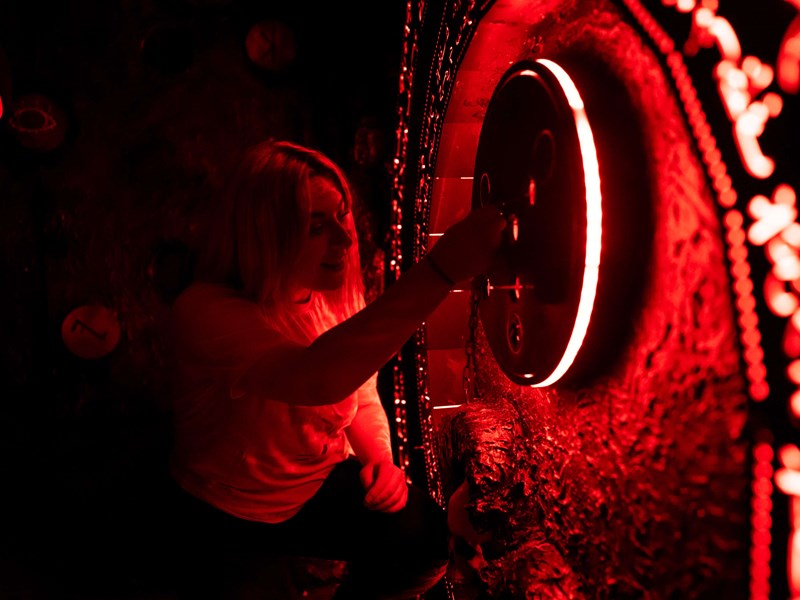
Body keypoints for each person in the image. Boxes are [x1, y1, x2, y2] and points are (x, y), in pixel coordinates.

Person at [166, 139, 506, 599]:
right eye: (315, 227)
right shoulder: (205, 312)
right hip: (227, 504)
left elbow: (358, 391)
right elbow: (317, 377)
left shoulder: (329, 294)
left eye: (342, 216)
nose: (345, 240)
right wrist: (442, 270)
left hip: (314, 483)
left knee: (424, 542)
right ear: (265, 233)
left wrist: (379, 458)